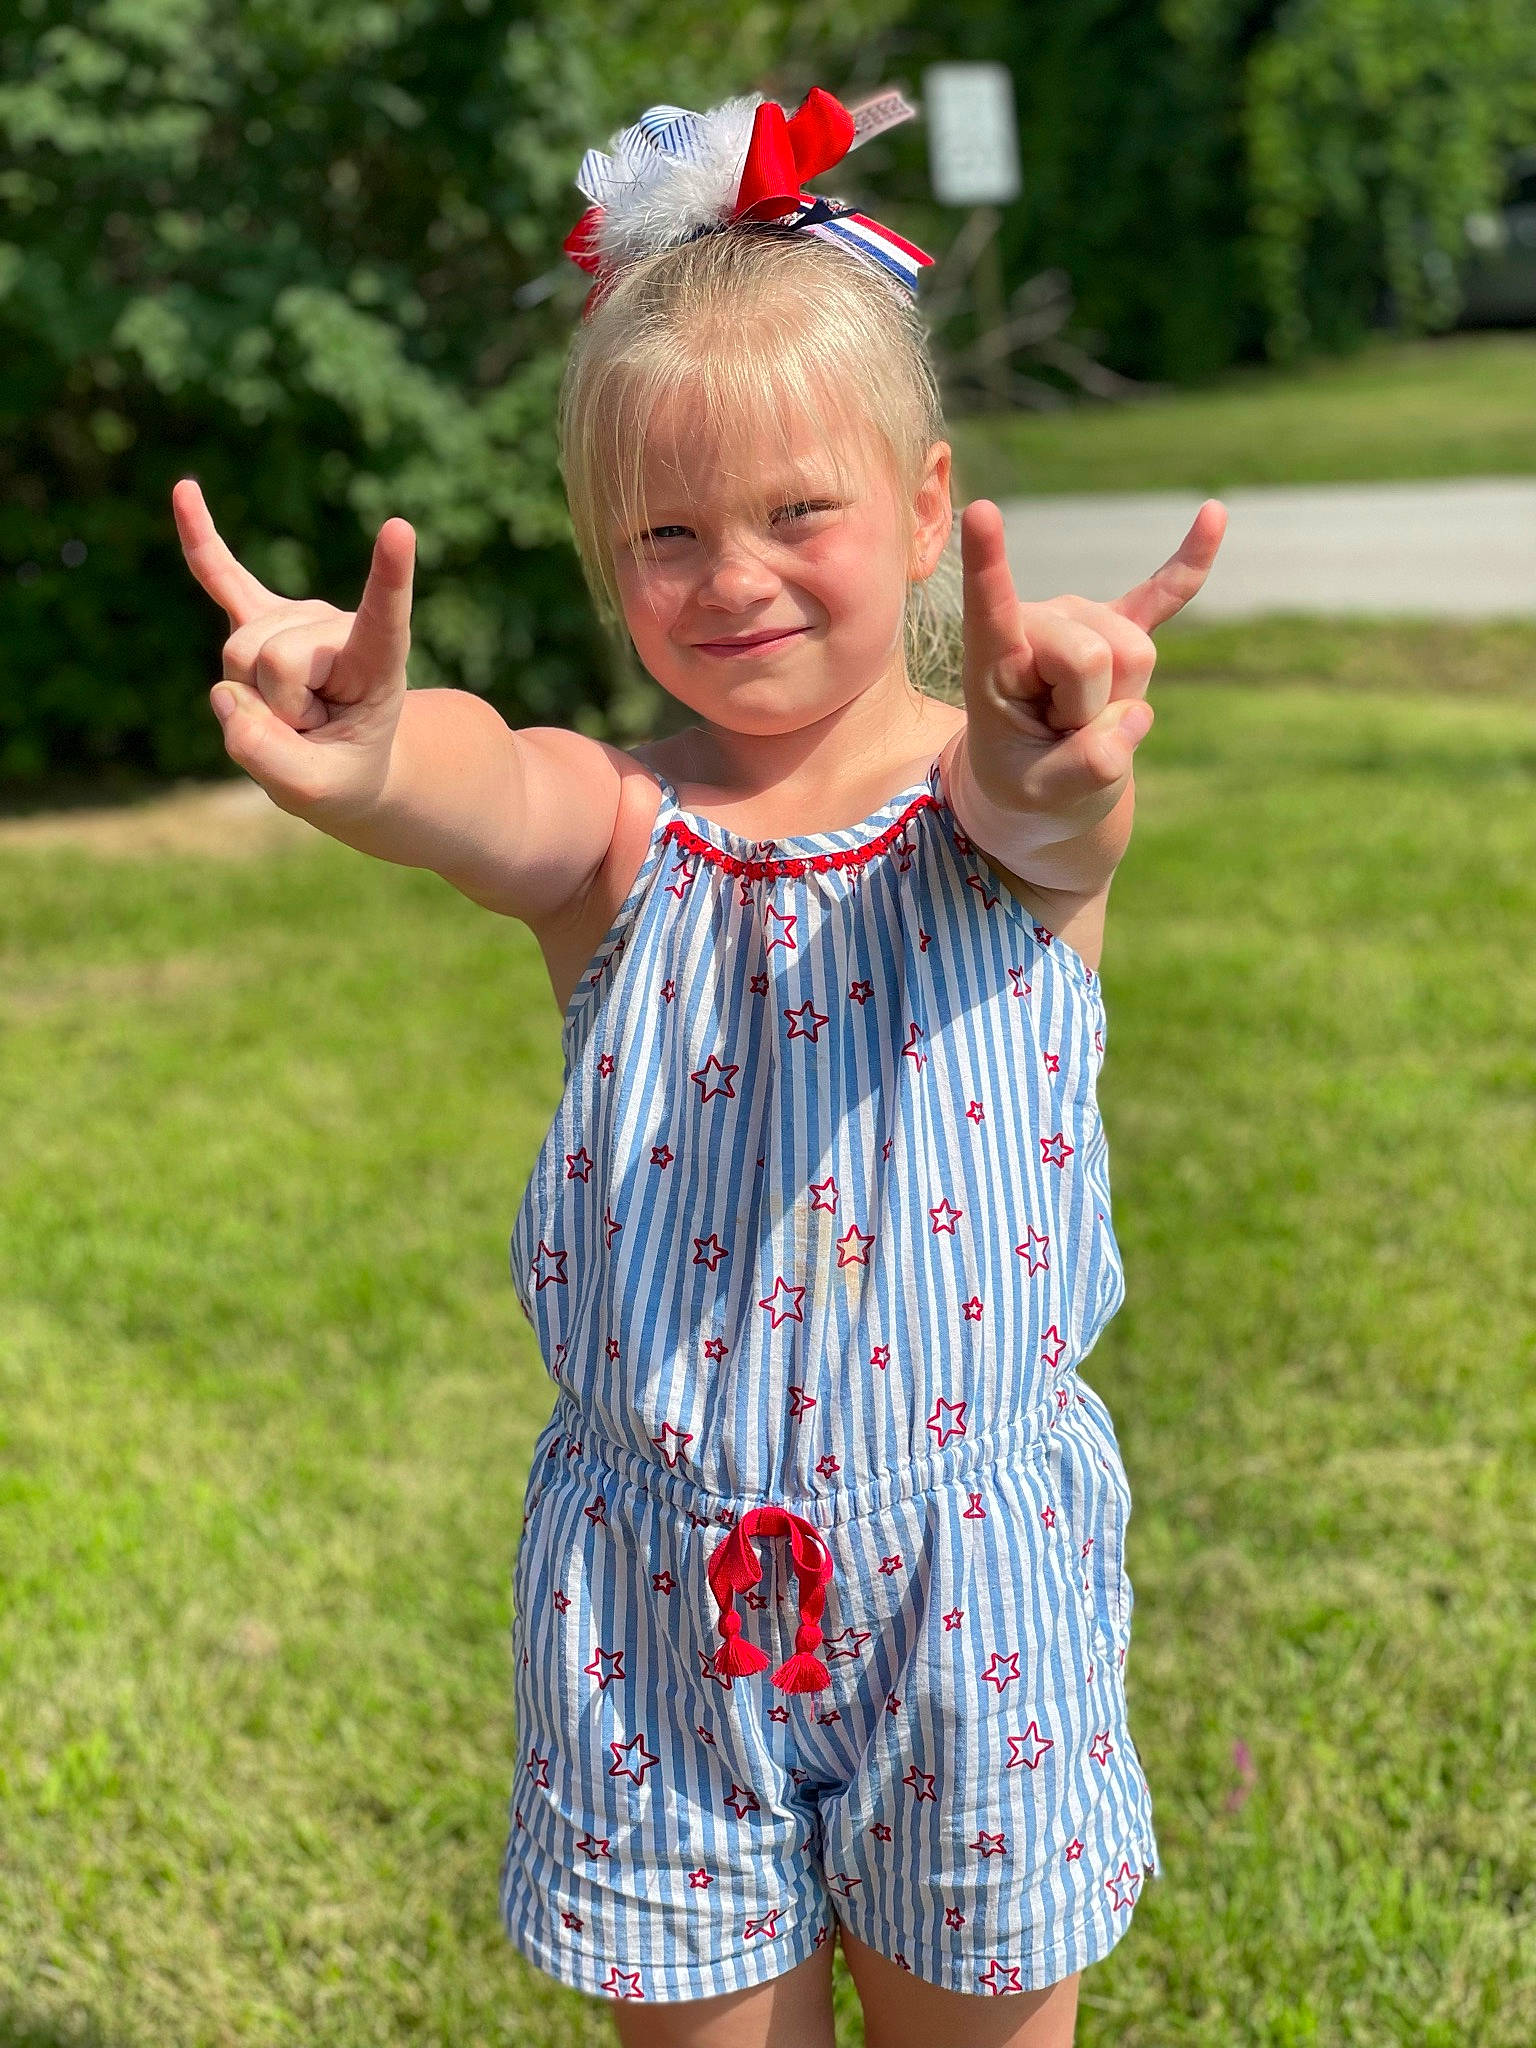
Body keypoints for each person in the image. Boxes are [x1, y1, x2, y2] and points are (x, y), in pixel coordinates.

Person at [174, 84, 1225, 2048]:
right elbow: (483, 781)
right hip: (661, 1592)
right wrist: (376, 750)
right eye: (668, 532)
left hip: (965, 1584)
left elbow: (1043, 808)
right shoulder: (624, 824)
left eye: (797, 513)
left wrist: (1058, 741)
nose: (734, 574)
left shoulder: (974, 809)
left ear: (923, 509)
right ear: (605, 557)